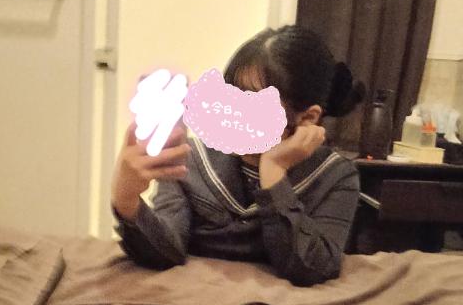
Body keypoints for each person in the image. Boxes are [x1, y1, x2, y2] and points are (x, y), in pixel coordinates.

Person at [111, 25, 365, 286]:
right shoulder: (193, 159)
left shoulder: (335, 175)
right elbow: (166, 251)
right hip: (198, 302)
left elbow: (313, 268)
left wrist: (273, 172)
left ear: (308, 117)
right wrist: (126, 199)